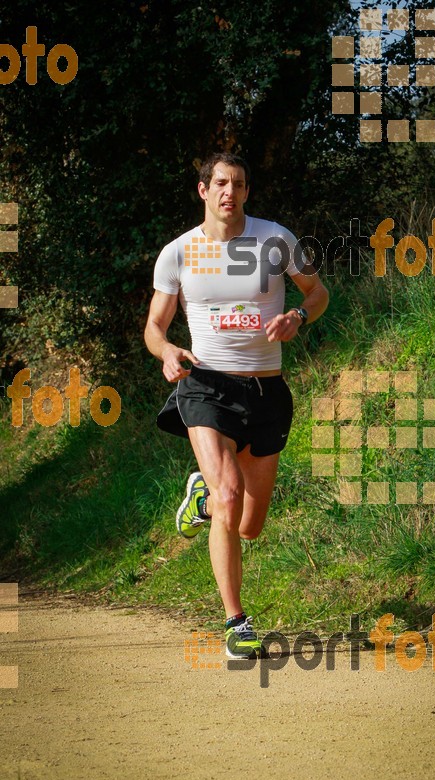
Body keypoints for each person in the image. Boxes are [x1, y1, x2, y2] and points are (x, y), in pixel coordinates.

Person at [144, 153, 329, 658]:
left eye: (239, 184)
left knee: (249, 525)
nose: (230, 191)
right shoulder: (178, 253)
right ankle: (236, 621)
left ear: (247, 192)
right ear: (203, 190)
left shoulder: (276, 240)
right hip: (206, 387)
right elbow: (154, 328)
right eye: (221, 183)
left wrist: (296, 315)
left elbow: (318, 293)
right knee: (230, 496)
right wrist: (167, 352)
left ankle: (202, 498)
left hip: (267, 392)